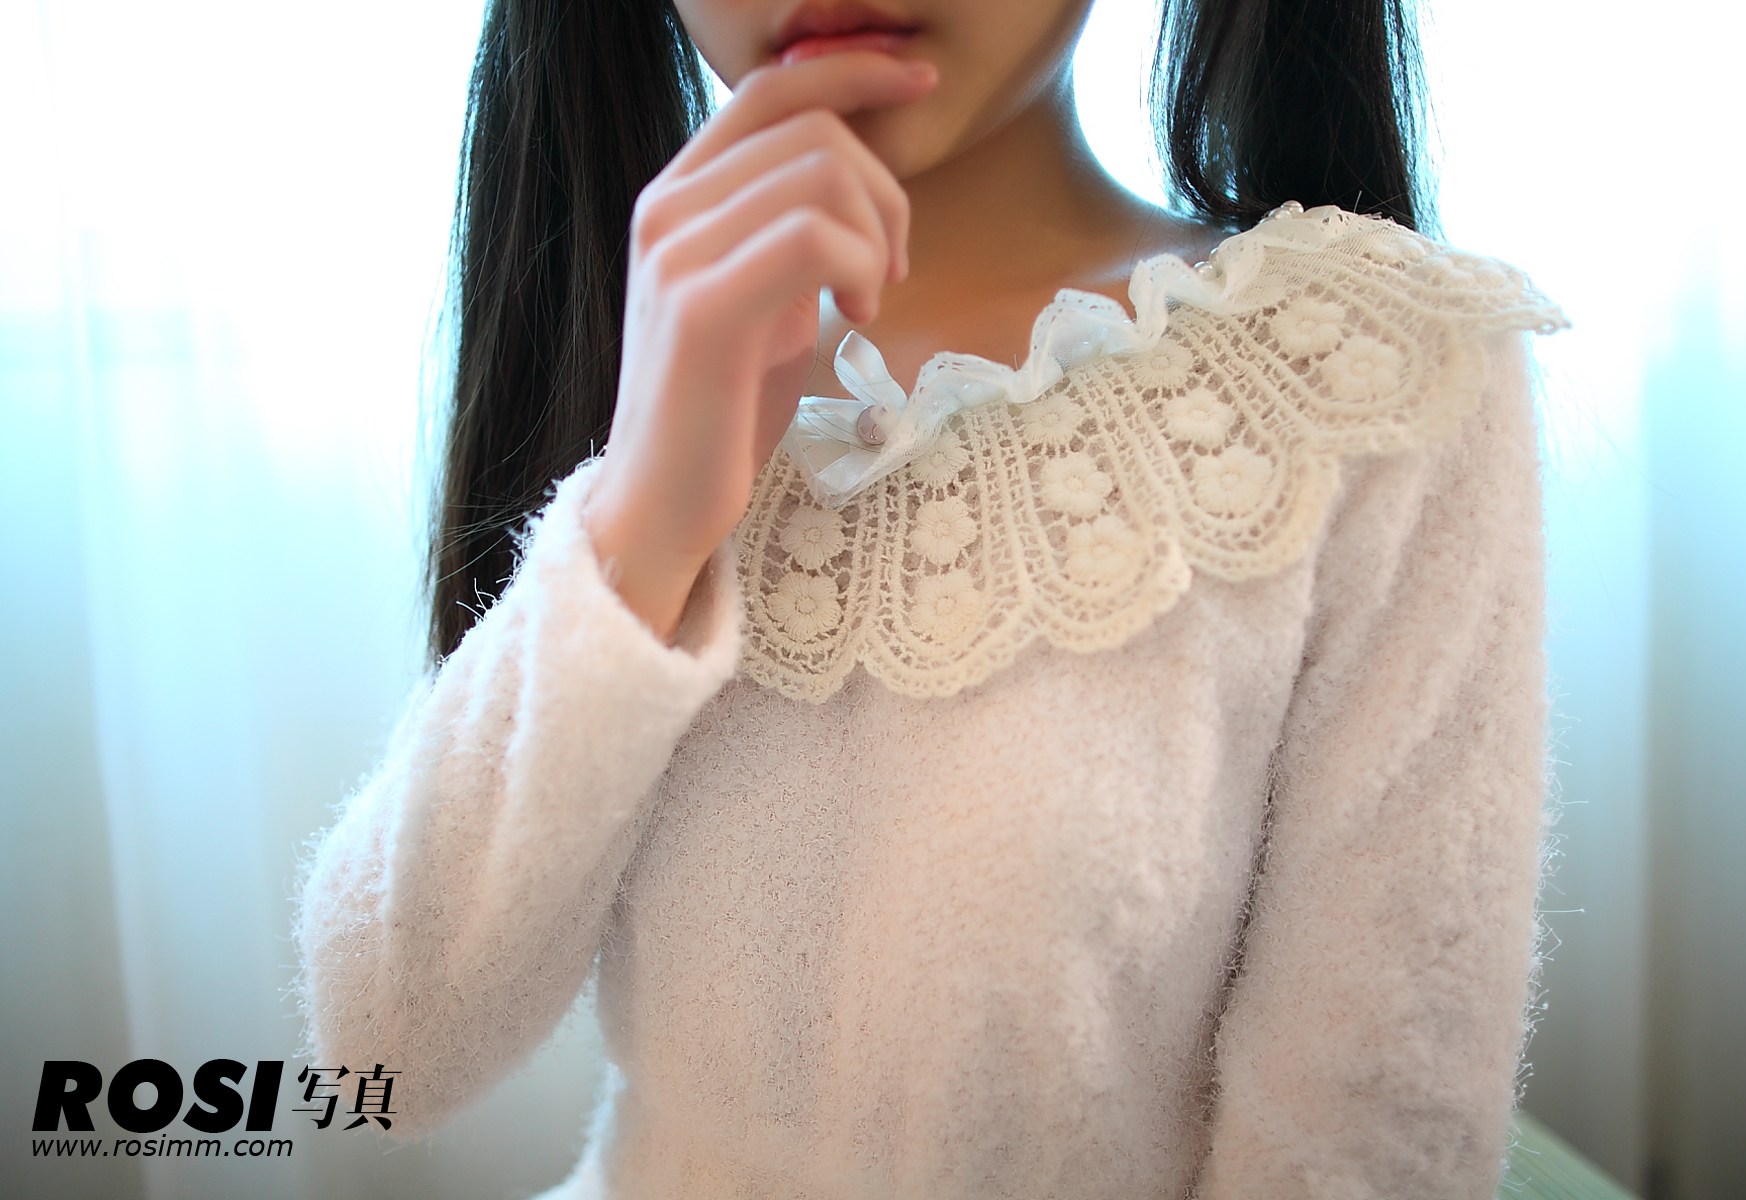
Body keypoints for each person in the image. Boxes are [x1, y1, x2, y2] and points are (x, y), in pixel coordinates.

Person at [296, 0, 1568, 1196]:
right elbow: (387, 1051)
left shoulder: (1371, 370)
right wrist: (642, 514)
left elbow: (1360, 1138)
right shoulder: (647, 348)